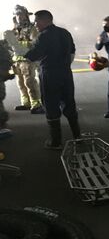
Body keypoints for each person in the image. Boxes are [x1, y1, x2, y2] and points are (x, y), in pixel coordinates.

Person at [22, 10, 80, 149]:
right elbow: (72, 51)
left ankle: (56, 142)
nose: (35, 24)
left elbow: (32, 55)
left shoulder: (44, 36)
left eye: (36, 21)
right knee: (69, 103)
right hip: (66, 73)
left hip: (49, 75)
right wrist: (65, 65)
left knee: (51, 105)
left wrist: (21, 50)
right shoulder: (65, 32)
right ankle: (77, 137)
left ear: (44, 20)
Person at [4, 5, 44, 114]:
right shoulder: (14, 30)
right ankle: (26, 103)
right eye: (17, 15)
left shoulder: (32, 28)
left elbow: (35, 42)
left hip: (28, 59)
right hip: (17, 60)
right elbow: (9, 45)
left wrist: (17, 45)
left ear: (26, 15)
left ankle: (36, 104)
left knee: (29, 82)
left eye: (21, 14)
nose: (19, 17)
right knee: (20, 83)